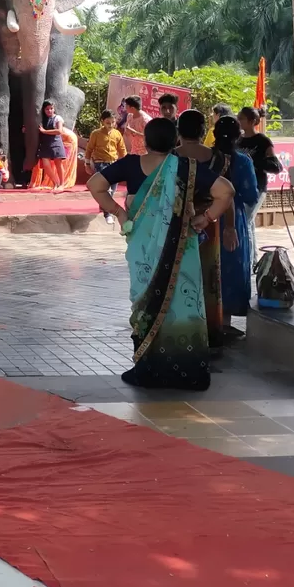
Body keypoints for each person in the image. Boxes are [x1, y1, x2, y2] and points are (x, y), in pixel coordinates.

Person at [87, 116, 235, 391]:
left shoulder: (130, 164)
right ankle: (187, 372)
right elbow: (226, 191)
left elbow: (95, 184)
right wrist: (206, 218)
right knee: (183, 303)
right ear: (175, 141)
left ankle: (148, 369)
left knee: (145, 303)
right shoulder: (186, 168)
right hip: (182, 249)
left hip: (143, 253)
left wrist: (119, 212)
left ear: (145, 140)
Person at [174, 109, 223, 349]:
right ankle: (211, 329)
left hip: (177, 222)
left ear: (178, 131)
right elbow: (229, 194)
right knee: (209, 274)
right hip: (210, 220)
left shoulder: (170, 158)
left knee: (179, 273)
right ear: (203, 130)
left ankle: (181, 326)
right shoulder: (219, 158)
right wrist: (229, 225)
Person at [211, 115, 261, 336]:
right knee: (231, 265)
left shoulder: (206, 158)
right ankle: (225, 323)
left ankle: (209, 320)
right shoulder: (242, 161)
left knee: (209, 266)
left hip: (207, 217)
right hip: (232, 221)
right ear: (238, 136)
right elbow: (251, 195)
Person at [84, 110, 127, 222]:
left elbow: (122, 150)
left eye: (113, 122)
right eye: (108, 122)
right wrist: (87, 163)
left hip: (113, 162)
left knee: (113, 189)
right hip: (100, 163)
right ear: (102, 122)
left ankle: (104, 206)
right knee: (106, 189)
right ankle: (107, 214)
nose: (111, 125)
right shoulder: (96, 134)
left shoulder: (117, 134)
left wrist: (127, 163)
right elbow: (89, 149)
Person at [36, 100, 68, 191]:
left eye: (51, 108)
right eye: (47, 109)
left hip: (56, 143)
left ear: (54, 109)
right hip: (45, 144)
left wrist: (45, 131)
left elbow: (59, 131)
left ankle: (62, 184)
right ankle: (56, 182)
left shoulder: (58, 118)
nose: (49, 111)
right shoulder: (42, 119)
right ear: (43, 110)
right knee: (46, 165)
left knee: (58, 164)